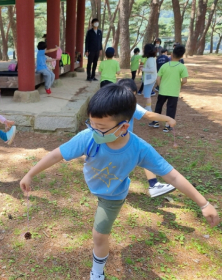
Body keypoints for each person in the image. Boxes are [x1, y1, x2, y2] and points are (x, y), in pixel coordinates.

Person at [19, 84, 220, 280]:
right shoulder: (88, 137)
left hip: (112, 196)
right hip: (94, 185)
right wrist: (29, 174)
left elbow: (173, 176)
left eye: (101, 128)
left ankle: (97, 271)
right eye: (92, 124)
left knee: (99, 236)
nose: (94, 130)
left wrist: (204, 203)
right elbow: (56, 155)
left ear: (124, 126)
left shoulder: (140, 148)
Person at [117, 78, 177, 197]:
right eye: (132, 95)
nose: (132, 98)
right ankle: (154, 185)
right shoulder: (130, 105)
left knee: (130, 159)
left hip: (112, 139)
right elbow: (148, 115)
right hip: (124, 140)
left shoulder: (111, 102)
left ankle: (114, 186)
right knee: (144, 155)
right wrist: (168, 118)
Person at [150, 45, 189, 133]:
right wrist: (180, 84)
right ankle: (167, 126)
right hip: (174, 91)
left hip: (163, 91)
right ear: (182, 56)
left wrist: (160, 86)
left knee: (159, 106)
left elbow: (158, 78)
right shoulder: (182, 67)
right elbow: (185, 80)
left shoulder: (164, 66)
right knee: (171, 108)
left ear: (171, 54)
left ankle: (156, 122)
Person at [139, 44, 157, 111]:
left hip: (150, 80)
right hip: (150, 79)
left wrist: (143, 69)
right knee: (147, 94)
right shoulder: (151, 59)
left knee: (147, 95)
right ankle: (147, 107)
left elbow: (152, 70)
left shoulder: (150, 59)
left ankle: (148, 108)